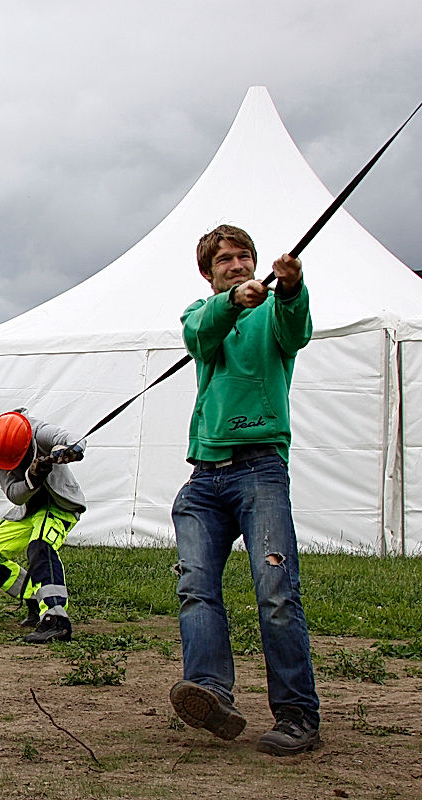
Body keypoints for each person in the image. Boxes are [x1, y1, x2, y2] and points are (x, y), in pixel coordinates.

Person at [169, 224, 320, 756]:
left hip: (260, 469)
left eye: (245, 257)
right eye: (225, 259)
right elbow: (199, 336)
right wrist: (233, 301)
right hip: (205, 476)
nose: (237, 264)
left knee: (276, 592)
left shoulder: (273, 313)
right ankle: (210, 693)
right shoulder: (201, 313)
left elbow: (296, 330)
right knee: (195, 589)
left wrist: (293, 285)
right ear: (208, 273)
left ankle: (299, 715)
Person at [0, 409, 85, 644]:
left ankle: (56, 618)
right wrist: (32, 478)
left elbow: (73, 438)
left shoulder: (38, 432)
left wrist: (72, 451)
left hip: (58, 505)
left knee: (41, 546)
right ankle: (34, 598)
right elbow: (14, 494)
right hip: (27, 510)